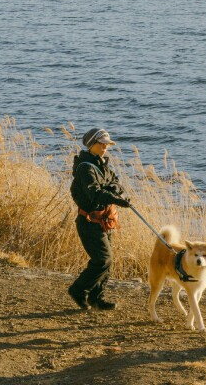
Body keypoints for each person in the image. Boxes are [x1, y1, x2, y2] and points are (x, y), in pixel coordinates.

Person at [68, 127, 132, 310]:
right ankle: (78, 290)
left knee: (106, 261)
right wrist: (115, 199)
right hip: (88, 222)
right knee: (103, 260)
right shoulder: (85, 168)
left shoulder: (102, 164)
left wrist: (115, 192)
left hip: (104, 221)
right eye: (102, 144)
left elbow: (116, 183)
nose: (105, 147)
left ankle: (97, 298)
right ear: (92, 145)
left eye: (107, 144)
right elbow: (94, 194)